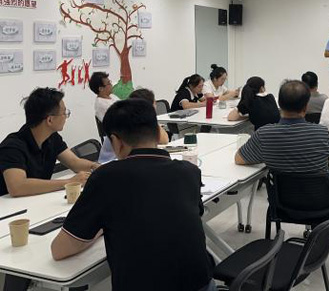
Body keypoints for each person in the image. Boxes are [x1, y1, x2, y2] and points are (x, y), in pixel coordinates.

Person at [51, 99, 215, 291]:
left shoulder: (106, 177)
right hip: (202, 283)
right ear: (157, 132)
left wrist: (101, 227)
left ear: (115, 141)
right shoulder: (189, 171)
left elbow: (60, 250)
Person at [0, 88, 96, 197]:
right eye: (64, 113)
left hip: (36, 200)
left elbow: (74, 162)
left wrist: (95, 166)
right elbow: (17, 187)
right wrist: (70, 182)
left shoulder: (52, 138)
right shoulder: (12, 147)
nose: (66, 117)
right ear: (50, 120)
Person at [234, 80, 329, 173]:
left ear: (279, 104)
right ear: (306, 107)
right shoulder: (322, 133)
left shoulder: (264, 134)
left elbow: (238, 159)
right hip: (318, 187)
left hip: (281, 187)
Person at [97, 88, 170, 163]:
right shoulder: (128, 123)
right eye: (154, 103)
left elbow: (164, 139)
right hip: (110, 162)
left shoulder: (136, 120)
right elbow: (164, 139)